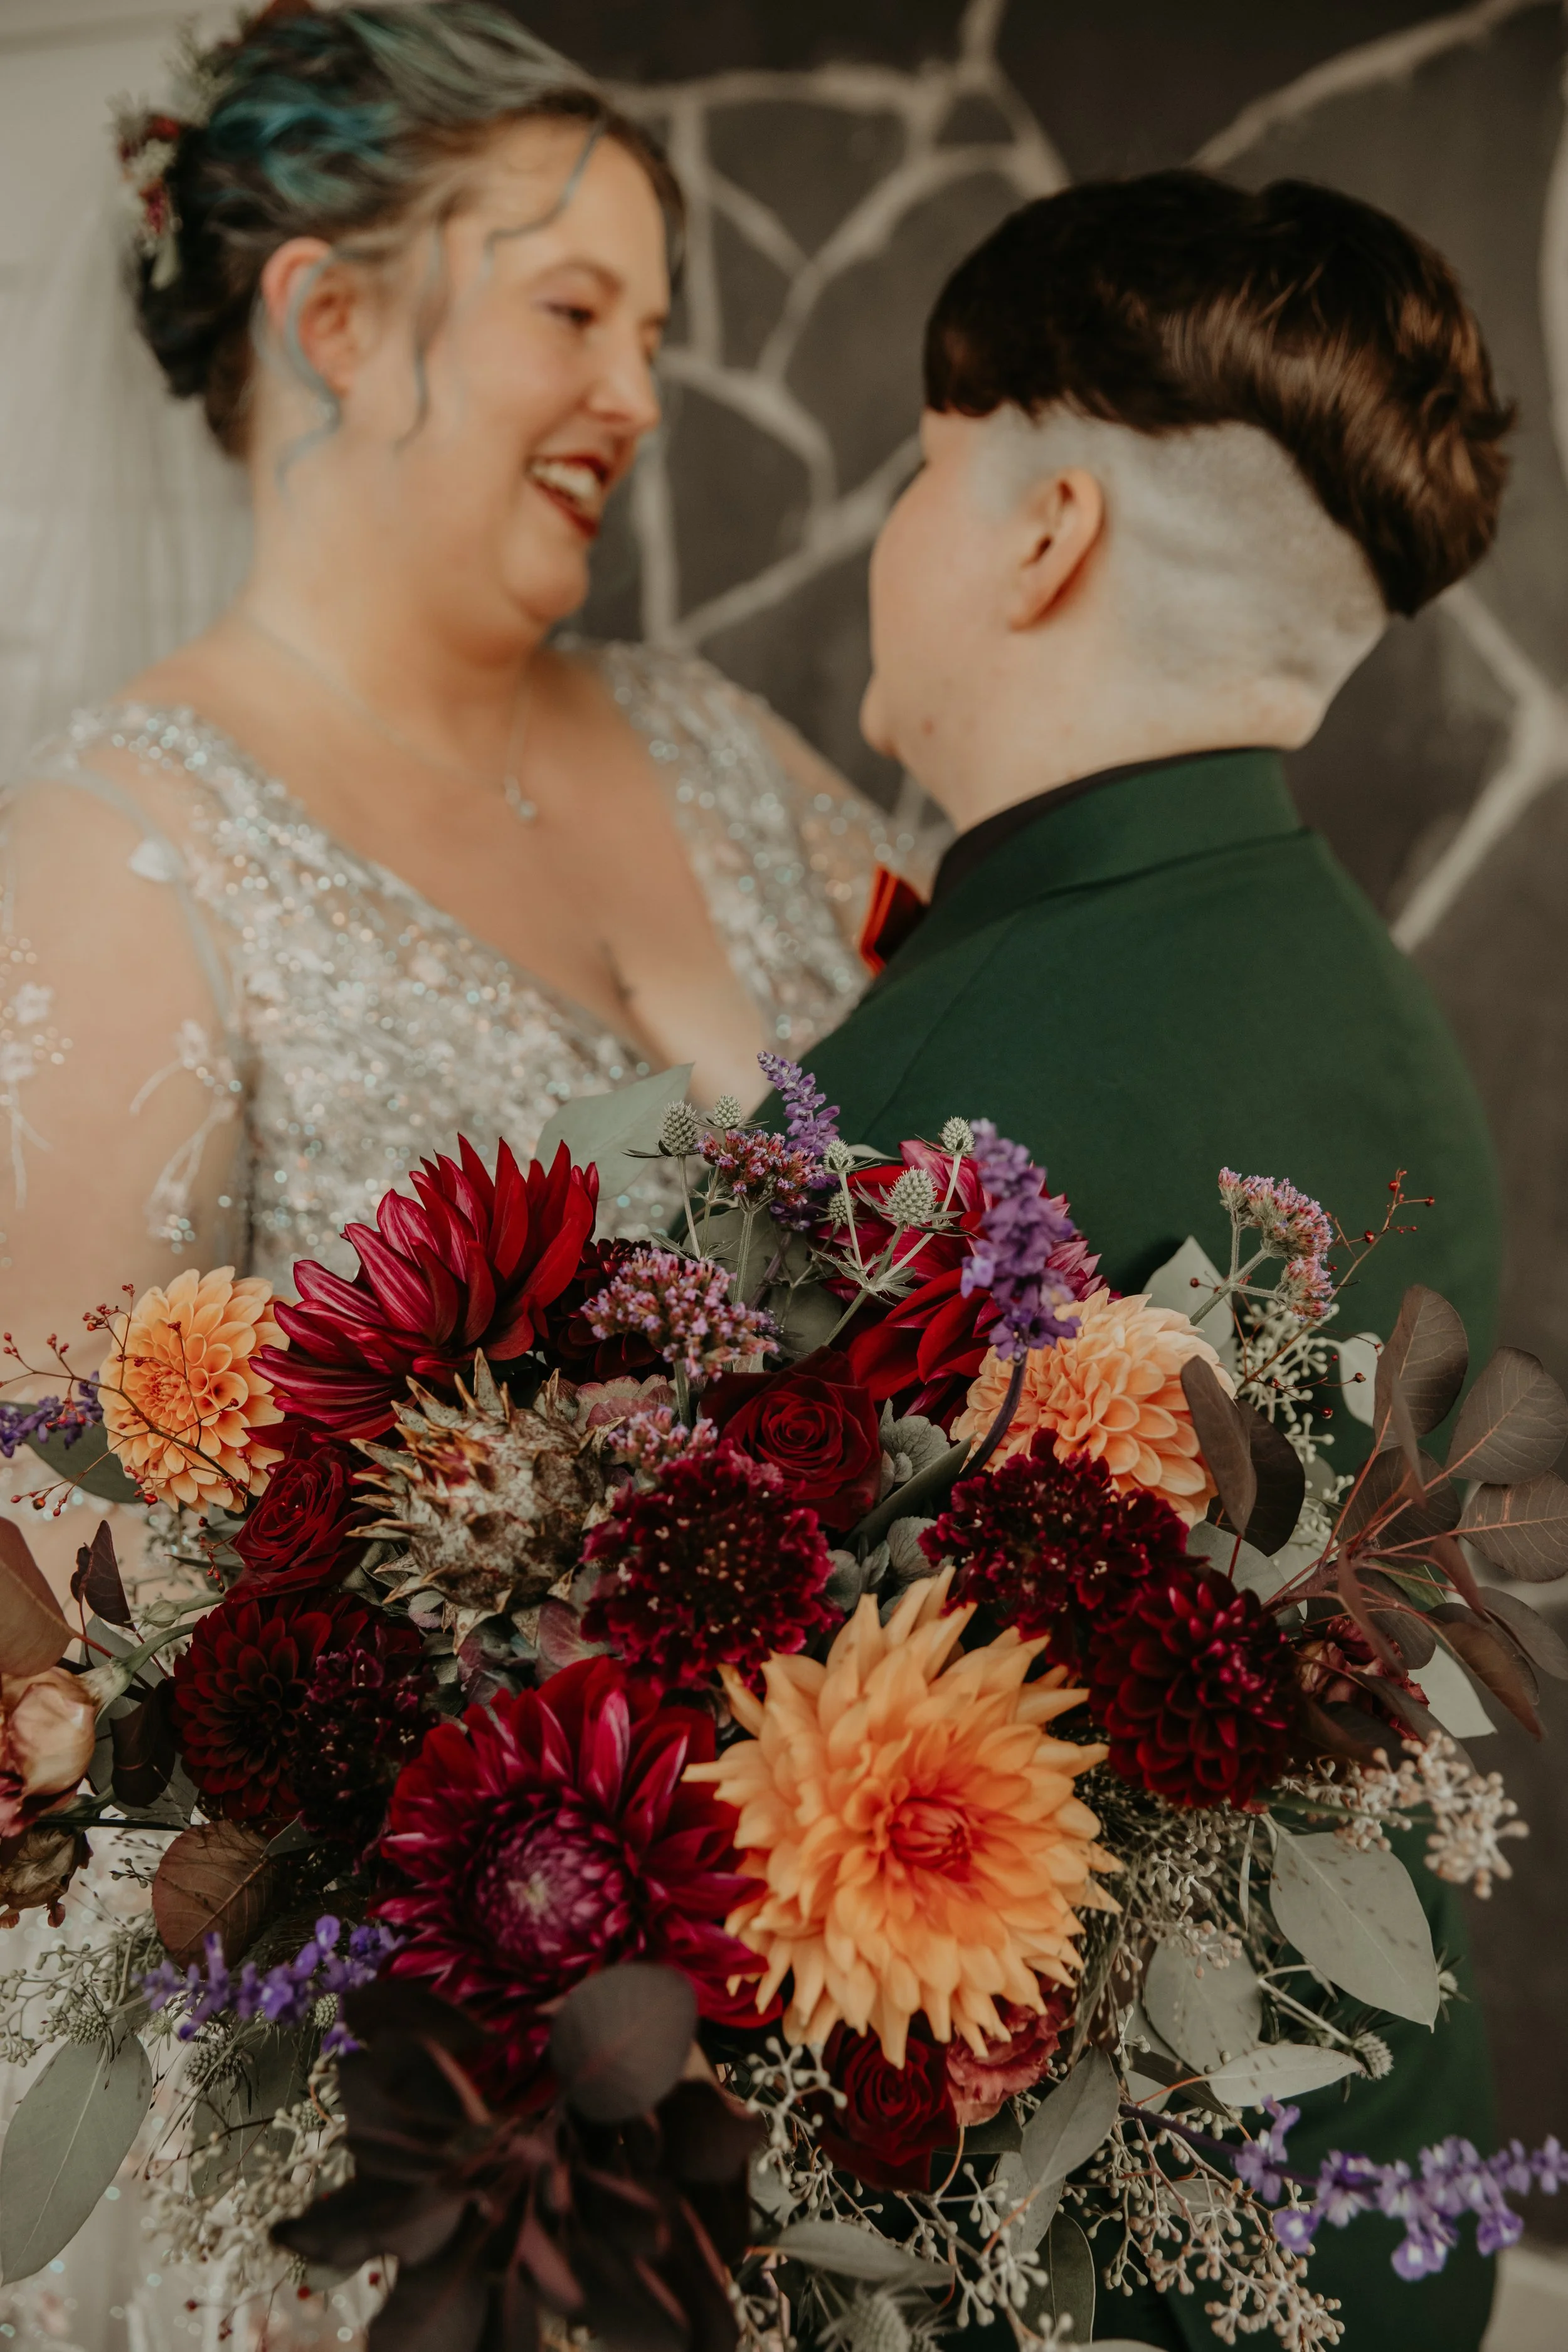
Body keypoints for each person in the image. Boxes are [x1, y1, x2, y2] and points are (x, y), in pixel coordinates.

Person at [789, 174, 1512, 2349]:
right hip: (1371, 2219)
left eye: (925, 472)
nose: (891, 536)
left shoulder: (937, 1091)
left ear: (1046, 531)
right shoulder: (1364, 1001)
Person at [0, 1, 894, 1579]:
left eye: (652, 335)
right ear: (329, 319)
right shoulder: (114, 863)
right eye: (573, 314)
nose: (639, 398)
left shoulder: (716, 741)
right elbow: (62, 1585)